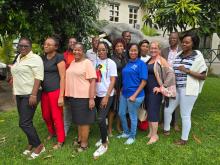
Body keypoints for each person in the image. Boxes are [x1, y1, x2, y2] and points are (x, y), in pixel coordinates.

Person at [164, 32, 207, 145]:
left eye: (187, 42)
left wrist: (187, 71)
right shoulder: (178, 55)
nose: (184, 44)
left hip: (188, 90)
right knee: (168, 110)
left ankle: (184, 139)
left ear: (193, 44)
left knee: (185, 114)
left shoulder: (197, 56)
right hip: (175, 88)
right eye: (183, 42)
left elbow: (203, 76)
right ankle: (166, 130)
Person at [11, 37, 45, 159]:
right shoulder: (19, 58)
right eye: (21, 46)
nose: (23, 48)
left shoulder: (35, 58)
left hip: (30, 94)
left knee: (24, 123)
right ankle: (31, 143)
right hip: (20, 94)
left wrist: (33, 94)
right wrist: (14, 92)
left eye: (26, 46)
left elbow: (38, 77)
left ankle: (39, 145)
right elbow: (16, 75)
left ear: (30, 47)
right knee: (27, 121)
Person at [65, 43, 97, 152]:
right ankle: (80, 139)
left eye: (79, 50)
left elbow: (93, 81)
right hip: (74, 97)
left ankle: (84, 144)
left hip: (84, 97)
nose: (76, 52)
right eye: (75, 50)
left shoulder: (87, 63)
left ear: (83, 51)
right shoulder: (73, 62)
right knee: (78, 121)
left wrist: (91, 98)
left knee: (84, 122)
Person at [144, 41, 176, 145]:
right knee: (149, 111)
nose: (153, 50)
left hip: (155, 92)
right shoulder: (149, 60)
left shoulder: (161, 60)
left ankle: (155, 135)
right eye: (151, 48)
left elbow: (171, 74)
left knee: (153, 112)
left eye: (155, 48)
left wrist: (162, 87)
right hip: (147, 90)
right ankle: (150, 132)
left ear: (159, 50)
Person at [117, 43, 147, 145]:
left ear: (138, 52)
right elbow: (126, 78)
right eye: (131, 50)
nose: (133, 52)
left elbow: (144, 81)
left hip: (136, 95)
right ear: (128, 52)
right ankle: (126, 132)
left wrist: (134, 95)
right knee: (121, 113)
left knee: (132, 115)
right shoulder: (128, 63)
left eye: (135, 50)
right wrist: (121, 89)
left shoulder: (141, 64)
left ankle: (132, 136)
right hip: (124, 93)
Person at [93, 42, 117, 158]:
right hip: (96, 95)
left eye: (103, 49)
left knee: (101, 118)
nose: (101, 52)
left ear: (107, 50)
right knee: (101, 118)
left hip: (107, 95)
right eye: (99, 50)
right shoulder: (95, 62)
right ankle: (105, 136)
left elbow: (112, 81)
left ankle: (104, 143)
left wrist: (107, 97)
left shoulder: (111, 63)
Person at [41, 37, 65, 149]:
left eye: (49, 44)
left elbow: (63, 77)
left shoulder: (59, 57)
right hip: (44, 92)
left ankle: (60, 140)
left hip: (55, 91)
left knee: (57, 116)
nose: (46, 46)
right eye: (45, 44)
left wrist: (61, 96)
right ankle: (52, 132)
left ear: (55, 47)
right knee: (46, 115)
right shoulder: (43, 58)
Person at [161, 32, 182, 131]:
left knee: (176, 100)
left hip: (178, 79)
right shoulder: (164, 51)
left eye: (174, 38)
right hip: (167, 79)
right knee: (166, 100)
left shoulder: (182, 51)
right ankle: (164, 121)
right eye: (170, 38)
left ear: (178, 40)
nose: (172, 40)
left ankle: (175, 122)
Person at [108, 38, 127, 136]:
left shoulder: (124, 57)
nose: (120, 47)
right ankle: (110, 129)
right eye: (117, 46)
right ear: (114, 48)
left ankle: (118, 126)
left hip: (123, 85)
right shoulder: (111, 59)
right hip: (115, 85)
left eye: (121, 46)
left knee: (121, 107)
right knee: (112, 108)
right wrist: (114, 88)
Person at [63, 37, 77, 136]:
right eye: (70, 42)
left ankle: (79, 128)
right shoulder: (64, 55)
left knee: (77, 108)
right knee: (67, 108)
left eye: (74, 42)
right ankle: (65, 129)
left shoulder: (80, 55)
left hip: (77, 85)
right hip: (67, 84)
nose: (72, 44)